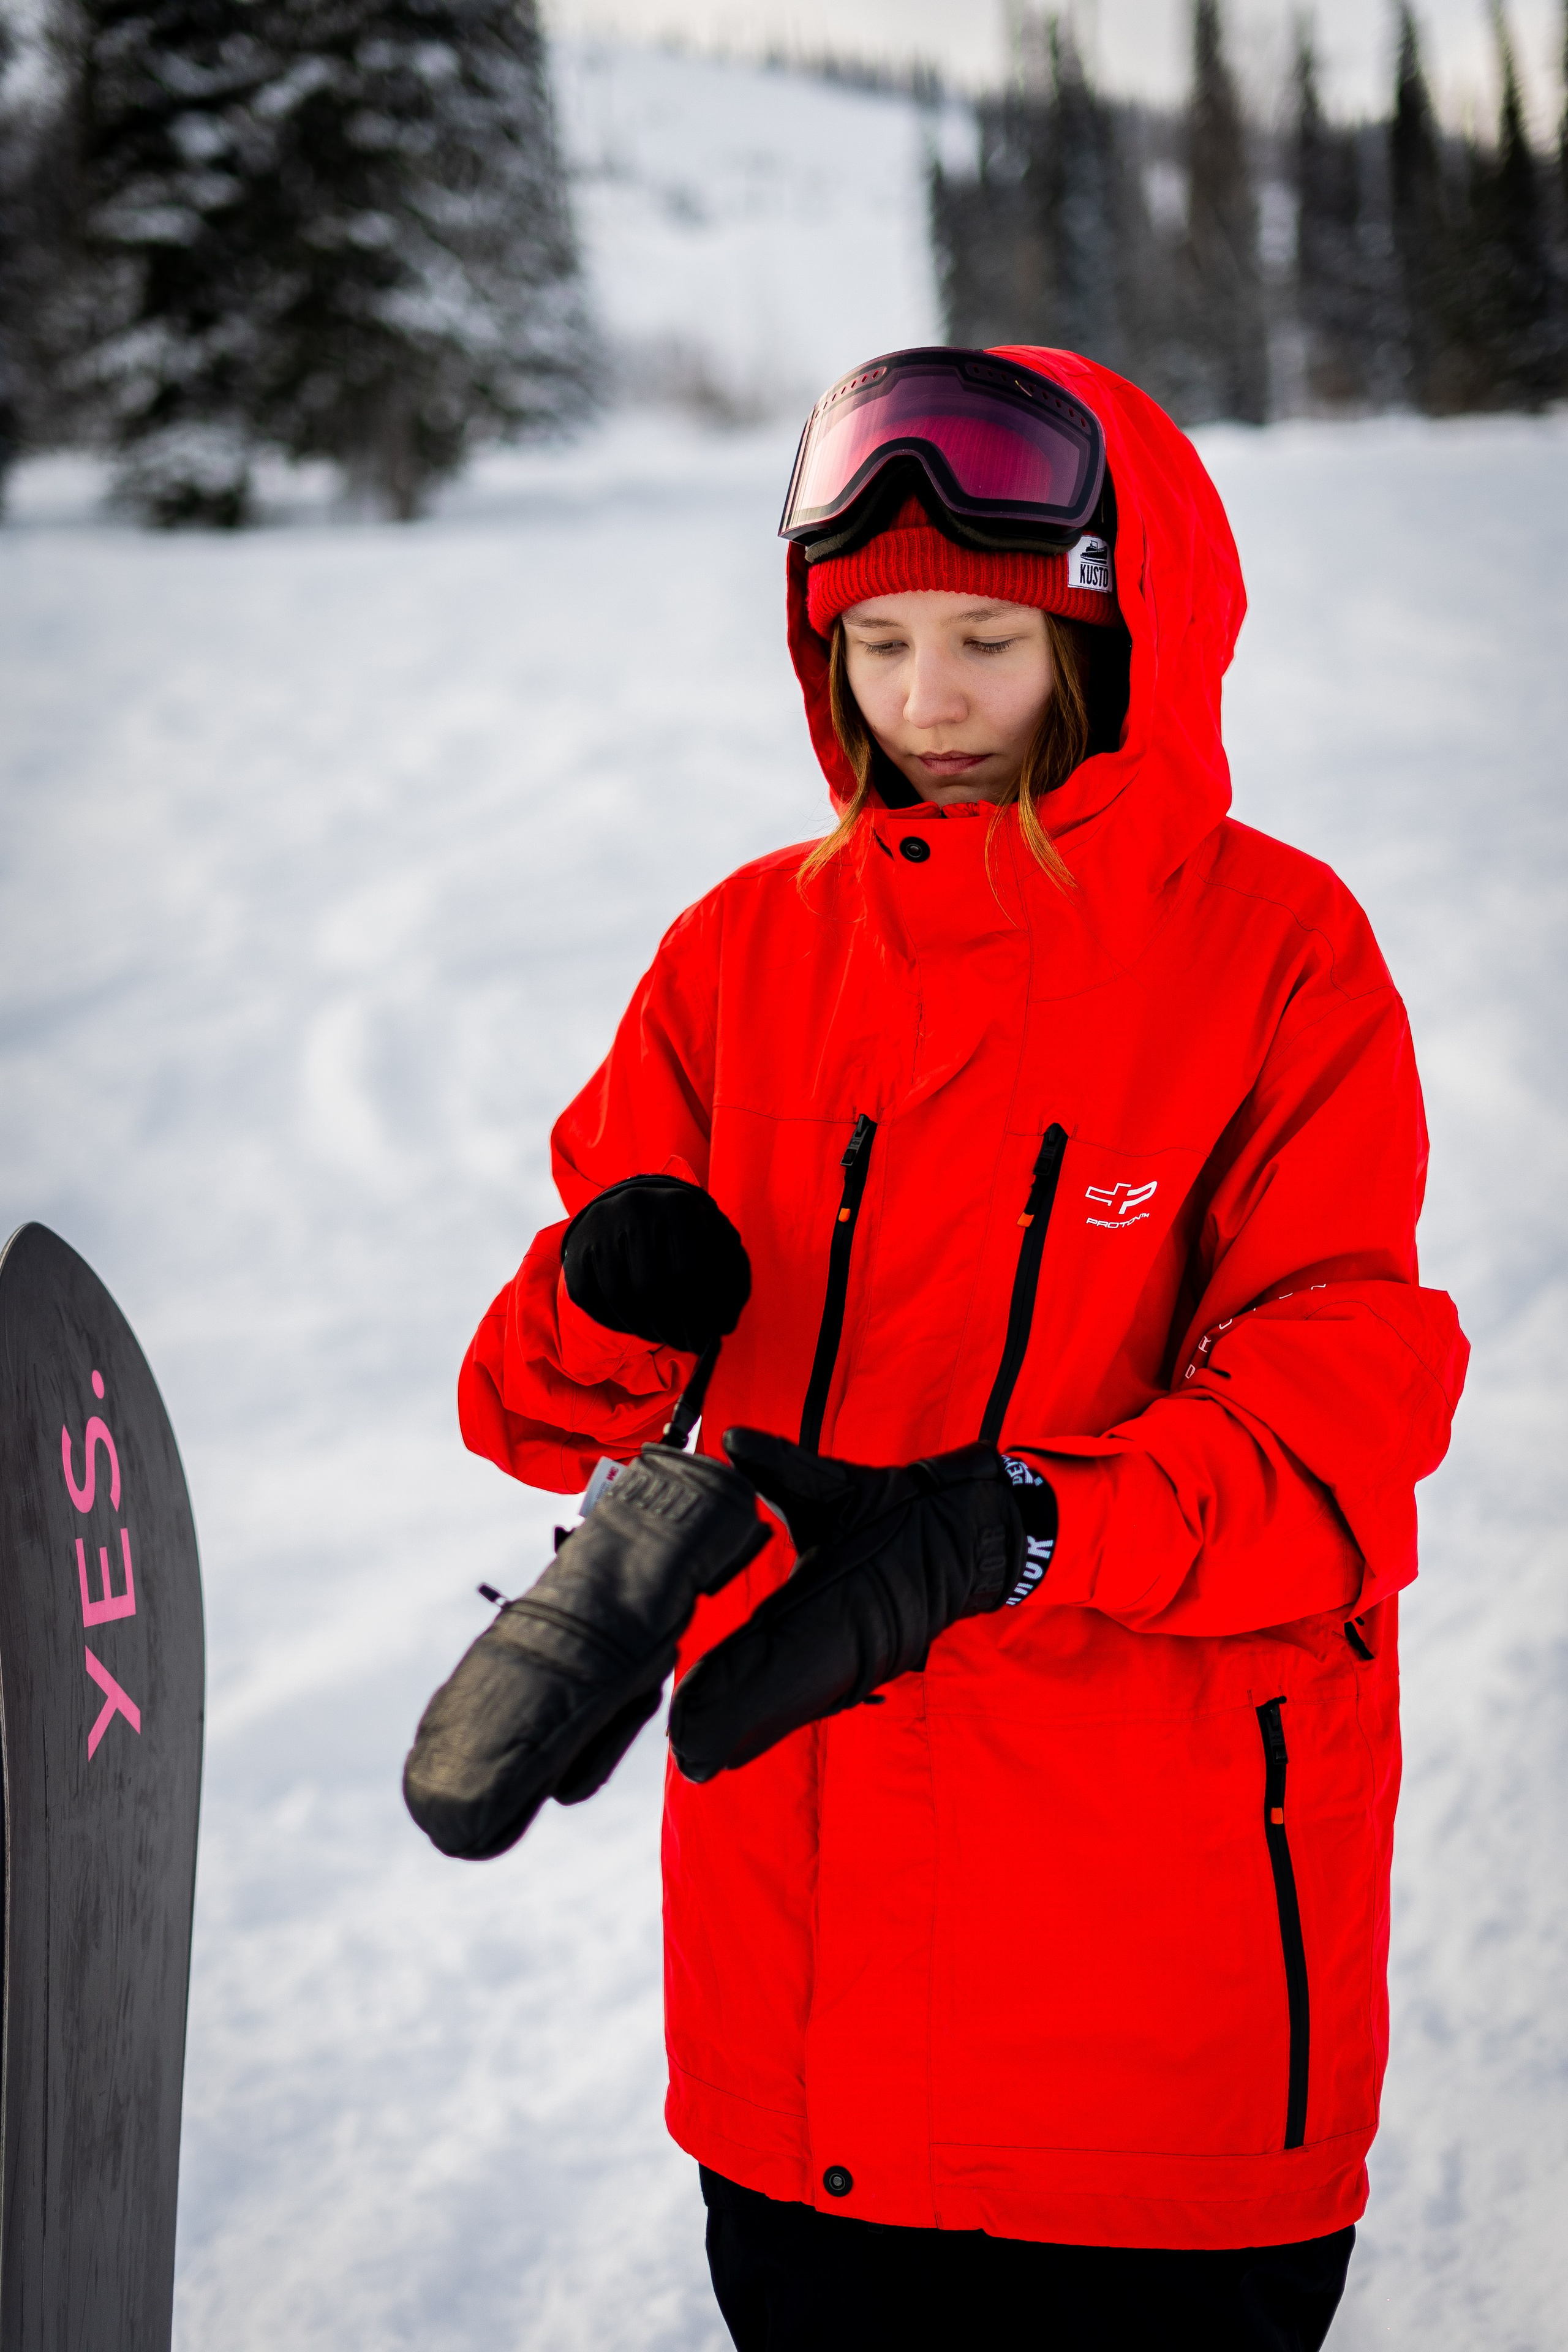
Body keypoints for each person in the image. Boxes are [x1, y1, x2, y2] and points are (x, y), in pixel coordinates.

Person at [456, 348, 1468, 2348]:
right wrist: (596, 1298)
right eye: (877, 641)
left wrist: (1021, 1528)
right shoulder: (742, 955)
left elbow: (1337, 1434)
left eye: (989, 639)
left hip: (1154, 2004)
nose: (924, 703)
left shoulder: (1280, 957)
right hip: (802, 1991)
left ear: (1118, 624)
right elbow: (520, 1402)